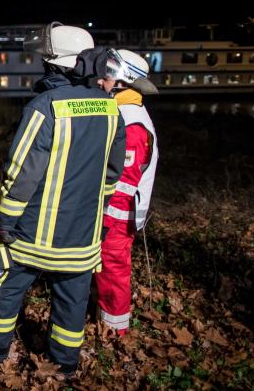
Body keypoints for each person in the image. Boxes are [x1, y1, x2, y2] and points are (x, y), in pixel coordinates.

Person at [0, 22, 126, 375]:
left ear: (53, 63)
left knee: (4, 292)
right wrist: (96, 217)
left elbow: (22, 172)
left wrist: (4, 221)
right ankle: (65, 365)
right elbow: (111, 175)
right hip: (82, 239)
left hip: (32, 237)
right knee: (71, 306)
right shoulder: (109, 109)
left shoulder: (45, 106)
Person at [94, 49, 159, 335]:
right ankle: (103, 320)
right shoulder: (122, 111)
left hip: (118, 217)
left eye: (107, 74)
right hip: (112, 214)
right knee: (103, 272)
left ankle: (115, 331)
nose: (100, 79)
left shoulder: (131, 121)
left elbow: (122, 184)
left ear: (123, 80)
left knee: (113, 272)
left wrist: (104, 221)